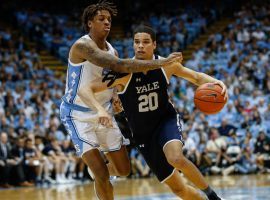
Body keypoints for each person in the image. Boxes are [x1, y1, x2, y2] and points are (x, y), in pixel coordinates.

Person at [59, 1, 182, 200]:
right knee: (102, 174)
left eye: (109, 19)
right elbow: (119, 65)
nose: (107, 22)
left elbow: (114, 79)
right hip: (78, 114)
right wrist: (161, 62)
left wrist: (116, 96)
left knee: (124, 170)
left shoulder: (112, 49)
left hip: (104, 112)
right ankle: (98, 171)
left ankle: (99, 170)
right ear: (90, 23)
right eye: (101, 19)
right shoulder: (82, 46)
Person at [90, 25, 228, 200]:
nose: (140, 46)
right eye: (136, 42)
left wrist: (219, 83)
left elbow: (197, 77)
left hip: (165, 121)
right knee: (179, 190)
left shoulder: (166, 65)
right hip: (143, 134)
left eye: (145, 42)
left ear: (154, 45)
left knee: (176, 158)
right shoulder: (123, 71)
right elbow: (94, 89)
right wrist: (108, 105)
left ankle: (213, 196)